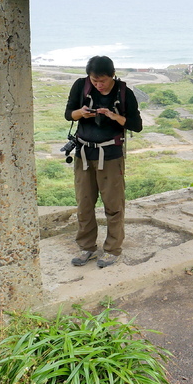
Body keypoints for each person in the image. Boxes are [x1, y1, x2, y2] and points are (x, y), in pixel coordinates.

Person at [64, 55, 142, 268]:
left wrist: (115, 116)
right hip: (84, 154)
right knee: (84, 203)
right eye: (94, 80)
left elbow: (137, 125)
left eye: (103, 81)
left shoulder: (124, 93)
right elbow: (68, 114)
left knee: (114, 205)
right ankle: (86, 247)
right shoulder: (81, 86)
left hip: (111, 155)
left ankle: (112, 249)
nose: (98, 85)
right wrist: (80, 113)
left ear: (112, 75)